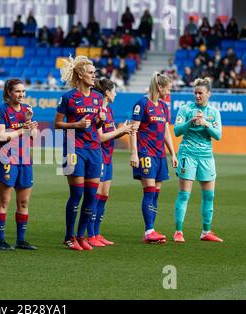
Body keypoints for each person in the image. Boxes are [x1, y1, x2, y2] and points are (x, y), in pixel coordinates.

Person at [54, 56, 105, 251]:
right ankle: (69, 237)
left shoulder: (98, 98)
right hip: (72, 148)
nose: (94, 76)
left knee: (92, 196)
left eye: (94, 72)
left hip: (94, 149)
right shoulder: (68, 97)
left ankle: (81, 236)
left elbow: (96, 126)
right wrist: (75, 124)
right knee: (77, 193)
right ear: (80, 74)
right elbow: (57, 124)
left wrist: (99, 121)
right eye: (91, 72)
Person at [173, 78, 223, 243]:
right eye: (195, 93)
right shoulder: (185, 109)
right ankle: (178, 232)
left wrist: (205, 123)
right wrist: (191, 121)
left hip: (206, 157)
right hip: (188, 155)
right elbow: (177, 131)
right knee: (184, 195)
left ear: (209, 94)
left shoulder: (214, 112)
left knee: (209, 196)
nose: (197, 96)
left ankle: (206, 231)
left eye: (200, 93)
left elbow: (218, 136)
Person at [130, 72, 178, 244]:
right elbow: (133, 130)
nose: (169, 92)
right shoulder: (142, 104)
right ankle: (149, 230)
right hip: (145, 153)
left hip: (159, 155)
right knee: (149, 191)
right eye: (168, 89)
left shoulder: (164, 107)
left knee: (155, 194)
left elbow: (166, 132)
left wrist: (172, 153)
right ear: (159, 87)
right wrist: (134, 153)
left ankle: (151, 230)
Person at [0, 79, 38, 250]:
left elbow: (33, 135)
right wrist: (21, 129)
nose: (21, 95)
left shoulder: (27, 110)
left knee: (24, 202)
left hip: (25, 159)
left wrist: (30, 124)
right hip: (7, 159)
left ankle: (21, 240)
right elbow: (0, 136)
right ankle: (1, 240)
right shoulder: (1, 111)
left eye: (23, 91)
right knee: (4, 200)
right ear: (9, 92)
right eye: (18, 91)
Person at [86, 79, 133, 247]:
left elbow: (110, 134)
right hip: (98, 157)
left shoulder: (110, 111)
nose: (116, 93)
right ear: (107, 92)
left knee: (104, 196)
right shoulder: (98, 111)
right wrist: (120, 130)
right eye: (114, 90)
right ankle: (90, 234)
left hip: (108, 158)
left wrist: (124, 130)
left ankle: (97, 233)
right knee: (94, 197)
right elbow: (100, 137)